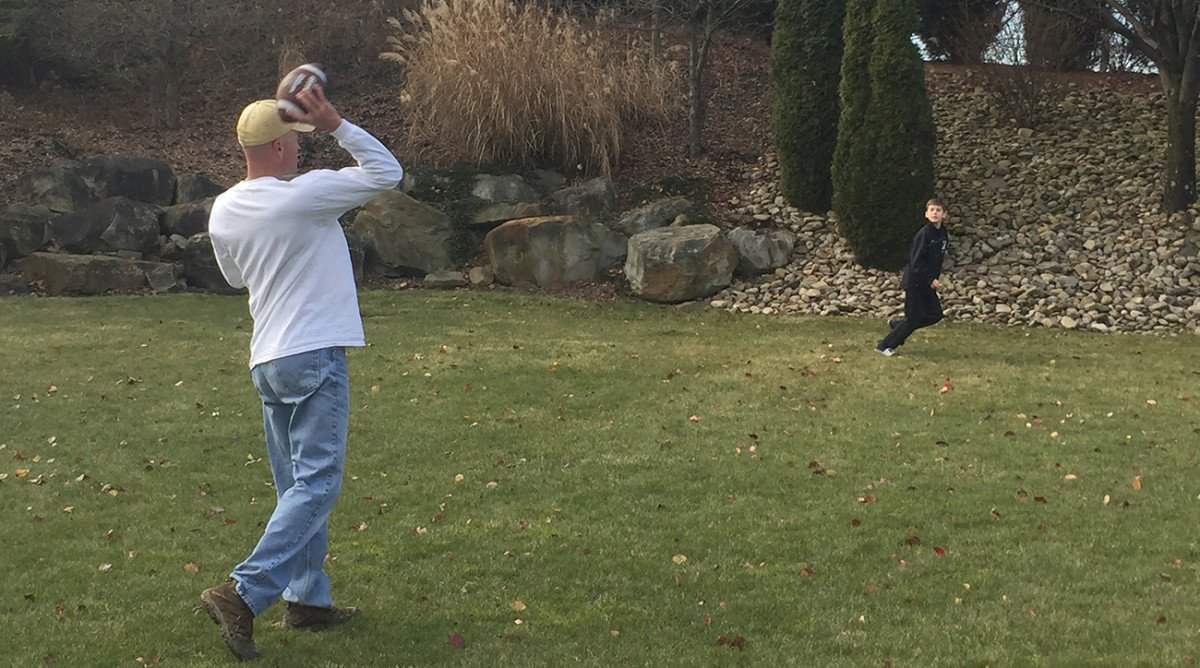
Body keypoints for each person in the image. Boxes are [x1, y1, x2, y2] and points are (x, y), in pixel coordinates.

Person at [201, 85, 403, 661]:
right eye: (297, 141)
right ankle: (242, 592)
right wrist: (337, 123)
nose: (300, 151)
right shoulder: (306, 196)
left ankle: (308, 600)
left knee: (297, 487)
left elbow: (237, 279)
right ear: (283, 145)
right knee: (318, 485)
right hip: (314, 354)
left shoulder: (224, 209)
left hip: (268, 360)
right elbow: (386, 171)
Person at [875, 198, 949, 357]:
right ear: (926, 214)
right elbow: (915, 262)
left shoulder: (942, 234)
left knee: (935, 315)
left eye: (938, 210)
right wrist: (930, 279)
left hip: (927, 284)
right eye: (932, 210)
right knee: (913, 319)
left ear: (944, 214)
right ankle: (884, 345)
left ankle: (897, 326)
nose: (935, 213)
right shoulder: (924, 234)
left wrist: (932, 279)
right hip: (915, 282)